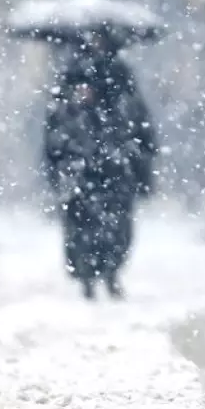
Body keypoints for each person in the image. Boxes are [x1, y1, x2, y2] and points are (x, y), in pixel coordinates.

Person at [44, 42, 158, 300]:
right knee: (82, 229)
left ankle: (108, 273)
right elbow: (55, 139)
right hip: (82, 175)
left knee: (114, 229)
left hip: (113, 172)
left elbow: (142, 134)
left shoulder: (121, 93)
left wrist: (137, 165)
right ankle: (88, 275)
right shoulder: (69, 93)